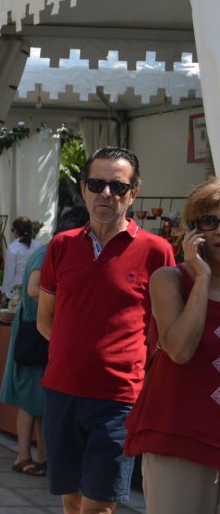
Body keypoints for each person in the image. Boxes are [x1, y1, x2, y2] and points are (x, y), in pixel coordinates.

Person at [37, 147, 176, 514]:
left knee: (98, 505)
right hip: (62, 392)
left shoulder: (157, 251)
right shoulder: (61, 246)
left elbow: (163, 331)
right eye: (97, 184)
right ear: (84, 189)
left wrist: (125, 365)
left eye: (118, 186)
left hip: (118, 399)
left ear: (133, 193)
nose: (106, 194)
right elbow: (45, 319)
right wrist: (75, 352)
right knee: (72, 499)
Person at [124, 177, 220, 513]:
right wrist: (202, 277)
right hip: (179, 436)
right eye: (210, 221)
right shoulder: (170, 280)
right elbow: (180, 350)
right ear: (193, 232)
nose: (219, 231)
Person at [0, 207, 89, 479]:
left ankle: (42, 456)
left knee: (41, 400)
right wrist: (68, 299)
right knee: (29, 399)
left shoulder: (54, 251)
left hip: (42, 332)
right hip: (34, 333)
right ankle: (22, 456)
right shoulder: (45, 252)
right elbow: (33, 289)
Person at [1, 216, 35, 302]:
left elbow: (9, 273)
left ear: (16, 231)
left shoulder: (13, 247)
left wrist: (5, 293)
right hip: (36, 287)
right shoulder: (39, 246)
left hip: (18, 290)